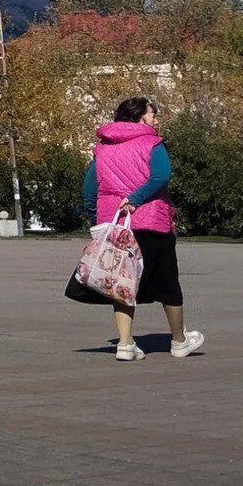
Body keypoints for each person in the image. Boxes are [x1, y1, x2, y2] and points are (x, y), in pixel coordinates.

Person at [83, 96, 205, 362]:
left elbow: (89, 189)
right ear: (140, 118)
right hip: (152, 224)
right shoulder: (152, 143)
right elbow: (161, 175)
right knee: (167, 281)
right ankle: (179, 341)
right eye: (152, 115)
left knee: (122, 284)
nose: (156, 120)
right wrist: (136, 199)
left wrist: (98, 217)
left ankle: (125, 344)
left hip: (115, 226)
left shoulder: (102, 149)